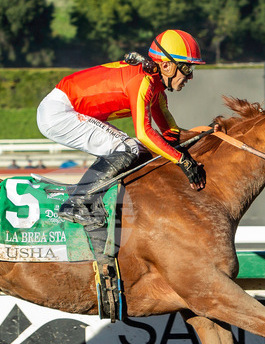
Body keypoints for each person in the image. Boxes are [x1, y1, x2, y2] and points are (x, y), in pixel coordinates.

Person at [37, 29, 207, 226]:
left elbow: (171, 134)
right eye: (187, 68)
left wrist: (196, 145)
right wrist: (183, 161)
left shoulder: (157, 90)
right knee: (128, 148)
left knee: (139, 150)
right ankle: (76, 204)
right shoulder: (142, 82)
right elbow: (144, 133)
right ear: (167, 66)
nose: (190, 77)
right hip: (59, 112)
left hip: (69, 109)